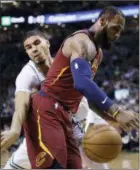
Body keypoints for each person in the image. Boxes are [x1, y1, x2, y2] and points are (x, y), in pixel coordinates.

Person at [23, 6, 139, 169]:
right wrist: (117, 111)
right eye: (115, 29)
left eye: (120, 31)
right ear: (103, 21)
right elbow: (82, 83)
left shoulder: (97, 53)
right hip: (45, 109)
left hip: (65, 113)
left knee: (74, 166)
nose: (117, 35)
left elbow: (83, 92)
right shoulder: (81, 42)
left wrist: (109, 119)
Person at [1, 30, 108, 169]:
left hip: (75, 125)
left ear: (47, 43)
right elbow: (21, 103)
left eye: (37, 43)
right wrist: (15, 130)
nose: (34, 49)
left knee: (99, 159)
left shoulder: (66, 62)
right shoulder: (27, 74)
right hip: (44, 132)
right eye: (28, 47)